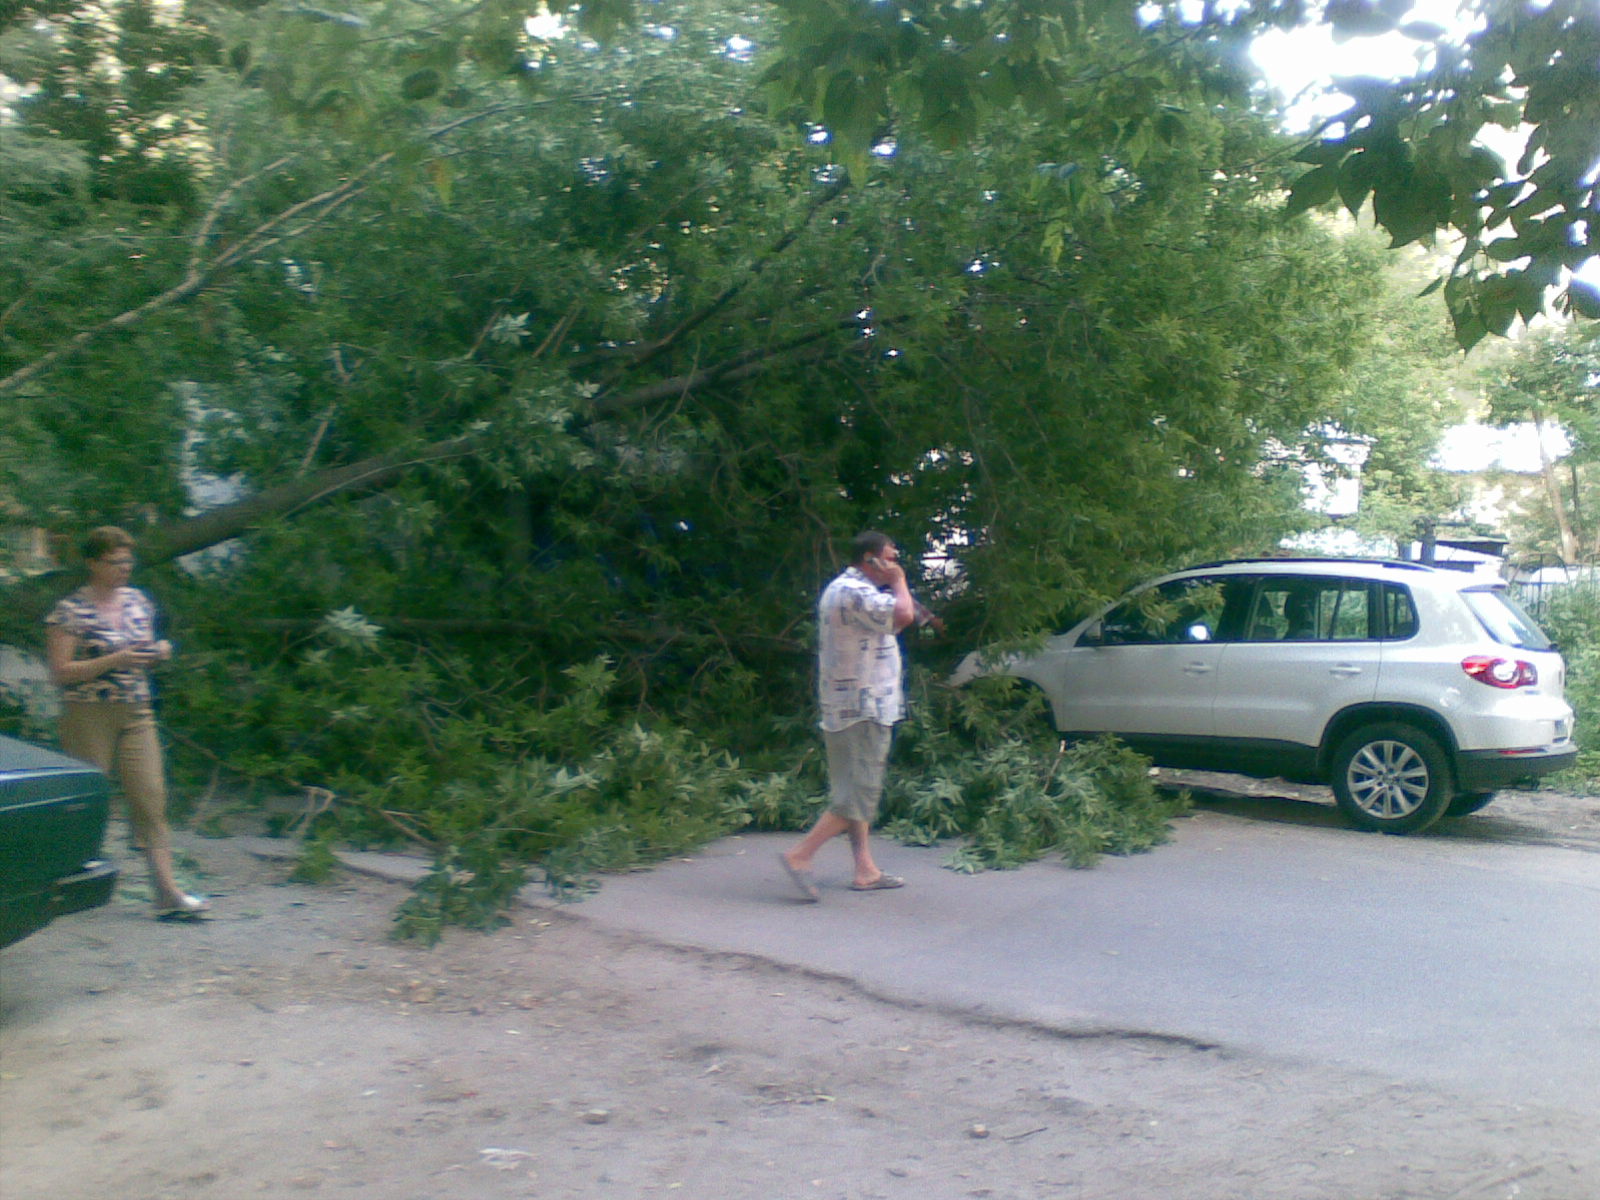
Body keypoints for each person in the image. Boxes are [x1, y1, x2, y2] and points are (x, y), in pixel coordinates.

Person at [44, 526, 208, 919]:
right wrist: (116, 659)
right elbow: (60, 672)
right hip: (89, 714)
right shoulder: (69, 611)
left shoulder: (138, 600)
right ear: (92, 563)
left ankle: (166, 892)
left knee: (151, 799)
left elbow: (147, 648)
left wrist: (160, 651)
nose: (124, 568)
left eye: (128, 561)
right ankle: (59, 885)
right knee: (86, 802)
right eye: (115, 562)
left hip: (137, 710)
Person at [779, 530, 924, 901]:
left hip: (848, 705)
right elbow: (904, 614)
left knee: (853, 791)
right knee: (858, 795)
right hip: (863, 707)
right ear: (871, 559)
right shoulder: (855, 592)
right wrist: (900, 581)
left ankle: (865, 869)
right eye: (891, 557)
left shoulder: (847, 590)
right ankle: (800, 855)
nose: (896, 563)